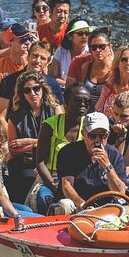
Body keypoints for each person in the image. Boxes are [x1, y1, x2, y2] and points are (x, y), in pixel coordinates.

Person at [5, 72, 63, 203]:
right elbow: (13, 149)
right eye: (27, 90)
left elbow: (59, 140)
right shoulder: (15, 115)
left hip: (51, 160)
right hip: (26, 162)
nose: (32, 93)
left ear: (42, 89)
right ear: (22, 93)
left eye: (36, 88)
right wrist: (42, 143)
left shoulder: (55, 109)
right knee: (26, 178)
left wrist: (28, 142)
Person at [32, 84, 90, 213]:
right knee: (44, 198)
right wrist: (54, 186)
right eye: (77, 100)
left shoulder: (90, 127)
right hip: (52, 177)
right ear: (66, 103)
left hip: (80, 178)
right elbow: (40, 162)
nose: (82, 104)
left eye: (86, 101)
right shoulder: (49, 125)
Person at [55, 112, 127, 212]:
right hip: (77, 205)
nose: (97, 140)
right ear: (83, 134)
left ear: (108, 135)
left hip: (106, 206)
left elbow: (120, 192)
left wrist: (108, 166)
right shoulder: (68, 152)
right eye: (92, 136)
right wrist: (83, 204)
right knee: (65, 205)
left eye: (102, 136)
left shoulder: (114, 155)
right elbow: (67, 186)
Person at [0, 41, 64, 117]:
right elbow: (0, 117)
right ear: (28, 56)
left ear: (48, 62)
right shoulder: (8, 82)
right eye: (35, 56)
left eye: (43, 58)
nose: (38, 61)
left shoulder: (52, 84)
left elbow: (60, 116)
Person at [0, 24, 35, 120]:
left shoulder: (34, 64)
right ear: (11, 43)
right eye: (23, 40)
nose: (28, 43)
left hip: (30, 111)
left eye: (29, 39)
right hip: (5, 111)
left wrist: (26, 66)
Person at [66, 27, 114, 112]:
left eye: (102, 46)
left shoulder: (115, 68)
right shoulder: (86, 66)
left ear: (110, 47)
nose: (98, 50)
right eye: (94, 47)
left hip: (107, 113)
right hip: (85, 111)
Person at [94, 44, 129, 117]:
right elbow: (98, 110)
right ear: (117, 63)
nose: (128, 63)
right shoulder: (109, 85)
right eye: (124, 59)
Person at [48, 19, 90, 88]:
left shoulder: (91, 52)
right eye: (80, 33)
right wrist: (68, 83)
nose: (84, 36)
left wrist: (67, 83)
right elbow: (52, 78)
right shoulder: (61, 51)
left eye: (87, 33)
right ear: (70, 37)